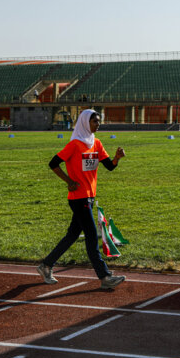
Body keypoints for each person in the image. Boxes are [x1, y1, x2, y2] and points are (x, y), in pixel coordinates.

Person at [37, 109, 127, 289]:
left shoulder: (96, 143)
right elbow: (53, 163)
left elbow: (109, 166)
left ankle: (46, 265)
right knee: (92, 237)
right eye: (95, 121)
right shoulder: (75, 145)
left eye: (99, 121)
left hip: (90, 197)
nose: (98, 124)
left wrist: (117, 158)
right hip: (79, 198)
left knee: (72, 235)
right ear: (86, 123)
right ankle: (105, 277)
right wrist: (69, 181)